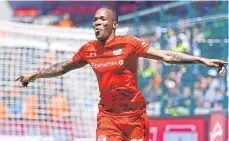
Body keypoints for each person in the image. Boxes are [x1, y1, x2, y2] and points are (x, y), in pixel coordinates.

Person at [15, 6, 228, 141]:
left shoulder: (129, 44)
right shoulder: (88, 49)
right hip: (108, 117)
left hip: (135, 117)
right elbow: (62, 67)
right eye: (95, 20)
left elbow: (166, 56)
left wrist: (202, 60)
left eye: (102, 19)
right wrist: (35, 75)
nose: (96, 23)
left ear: (114, 24)